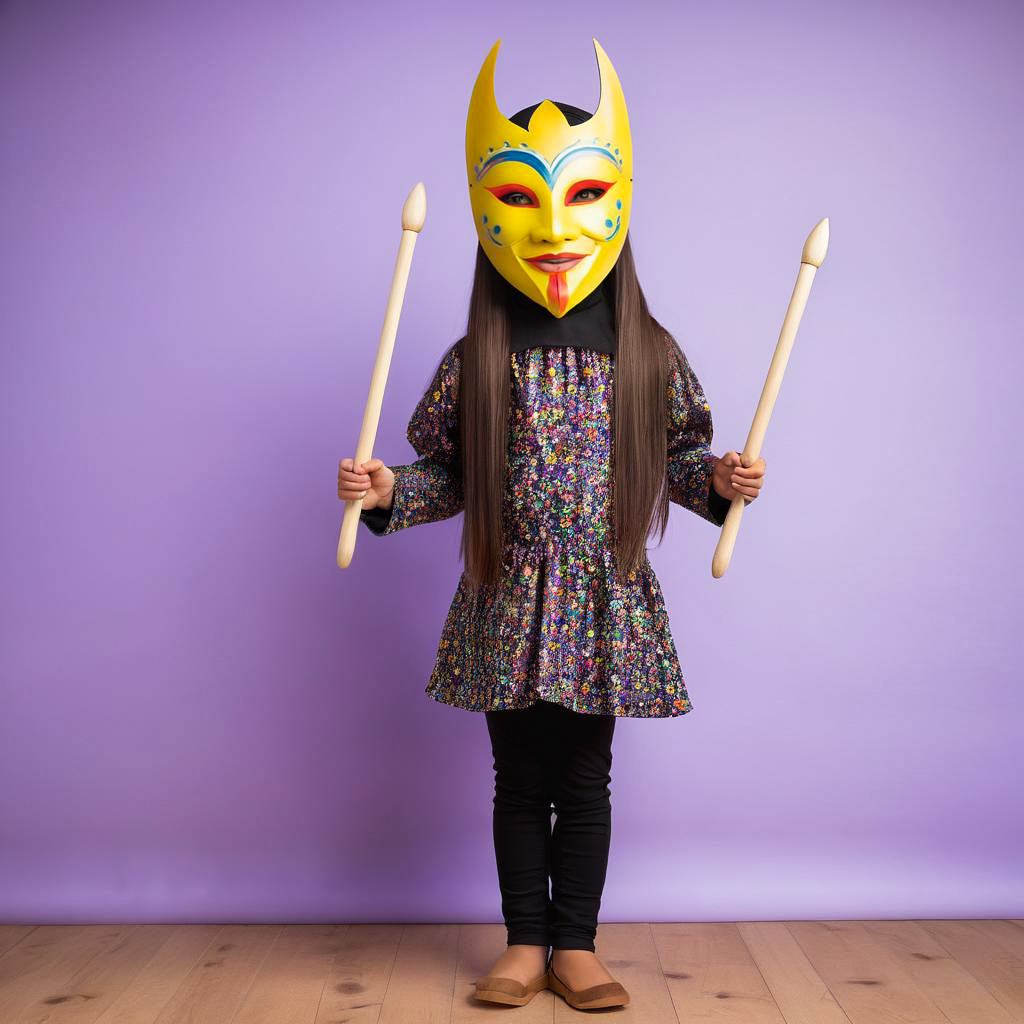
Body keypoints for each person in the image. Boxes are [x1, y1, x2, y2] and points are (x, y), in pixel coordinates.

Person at [338, 39, 765, 1012]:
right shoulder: (476, 356)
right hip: (506, 591)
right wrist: (383, 491)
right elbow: (446, 474)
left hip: (600, 596)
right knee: (514, 777)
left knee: (585, 774)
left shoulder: (647, 354)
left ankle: (575, 942)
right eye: (524, 202)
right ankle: (523, 941)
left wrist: (724, 480)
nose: (555, 227)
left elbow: (685, 465)